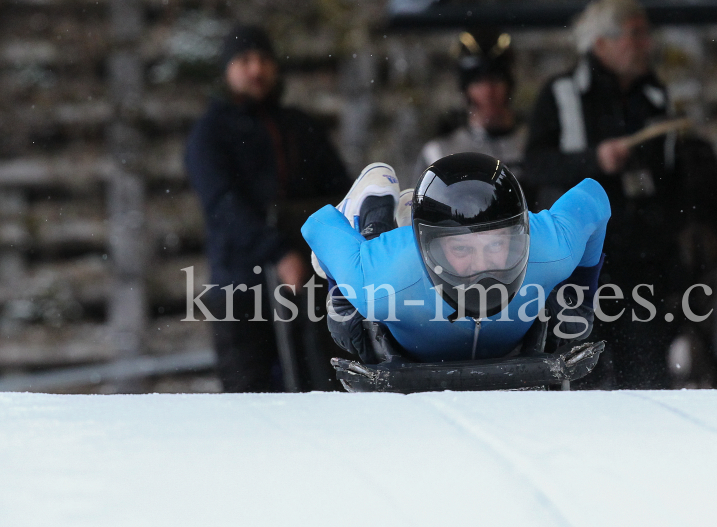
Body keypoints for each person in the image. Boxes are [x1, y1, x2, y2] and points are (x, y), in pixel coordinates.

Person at [302, 153, 608, 364]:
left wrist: (579, 296)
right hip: (394, 267)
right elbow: (319, 225)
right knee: (347, 325)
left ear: (519, 235)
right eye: (462, 249)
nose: (482, 265)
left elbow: (594, 196)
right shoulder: (383, 277)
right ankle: (375, 203)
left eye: (496, 244)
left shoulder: (550, 247)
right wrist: (343, 291)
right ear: (428, 246)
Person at [522, 0, 679, 389]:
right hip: (580, 270)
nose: (646, 44)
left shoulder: (655, 96)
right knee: (582, 374)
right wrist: (594, 160)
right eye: (635, 33)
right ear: (602, 43)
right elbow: (536, 166)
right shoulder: (561, 94)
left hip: (644, 262)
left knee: (647, 376)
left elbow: (674, 180)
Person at [185, 25, 352, 392]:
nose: (256, 70)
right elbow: (223, 206)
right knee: (252, 402)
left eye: (263, 60)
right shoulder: (209, 135)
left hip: (310, 288)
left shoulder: (301, 127)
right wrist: (277, 253)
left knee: (322, 390)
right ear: (227, 70)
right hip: (240, 289)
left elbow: (340, 193)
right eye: (245, 60)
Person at [414, 31, 528, 182]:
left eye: (496, 79)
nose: (488, 91)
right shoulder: (440, 154)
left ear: (509, 85)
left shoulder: (535, 144)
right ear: (465, 89)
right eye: (478, 81)